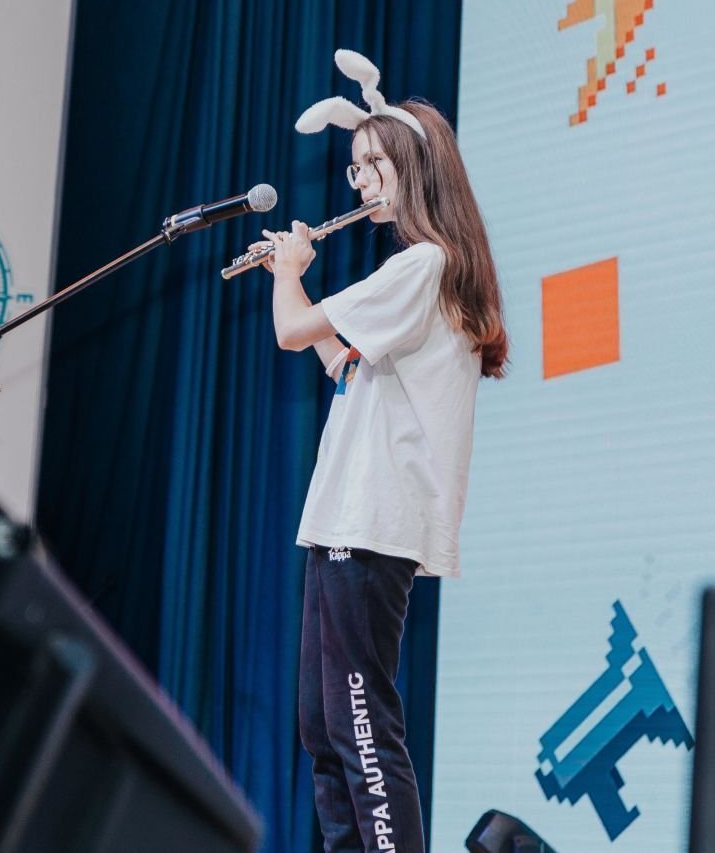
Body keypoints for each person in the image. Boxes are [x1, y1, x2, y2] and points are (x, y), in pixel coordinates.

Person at [253, 49, 508, 853]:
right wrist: (297, 281)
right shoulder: (419, 274)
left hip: (373, 522)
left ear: (413, 170)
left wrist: (287, 271)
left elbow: (292, 330)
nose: (359, 182)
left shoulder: (424, 263)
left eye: (373, 166)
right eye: (356, 167)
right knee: (324, 724)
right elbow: (342, 361)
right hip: (345, 519)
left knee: (363, 723)